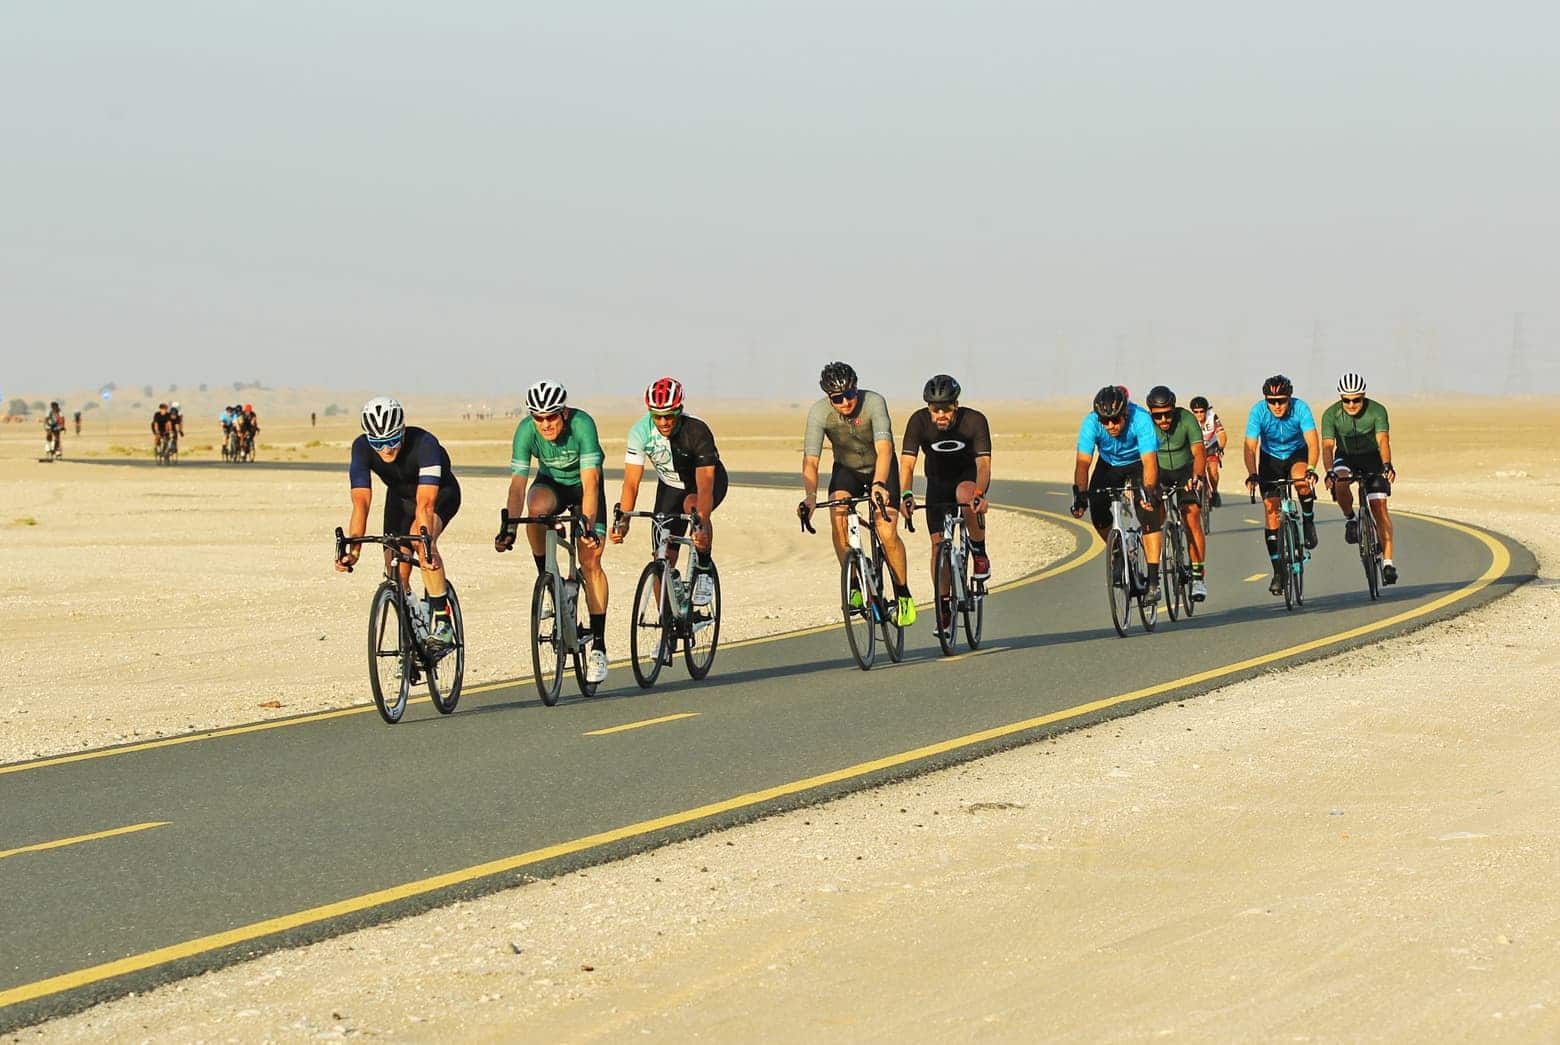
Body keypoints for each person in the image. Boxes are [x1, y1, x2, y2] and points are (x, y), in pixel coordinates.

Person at [495, 380, 611, 684]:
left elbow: (591, 483)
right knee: (535, 510)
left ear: (564, 413)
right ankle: (548, 580)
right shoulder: (526, 431)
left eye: (551, 417)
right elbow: (517, 486)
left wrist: (587, 525)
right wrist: (510, 527)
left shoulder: (582, 425)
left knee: (590, 561)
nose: (545, 424)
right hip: (552, 486)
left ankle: (599, 647)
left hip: (584, 488)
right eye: (539, 418)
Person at [797, 361, 916, 627]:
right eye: (837, 399)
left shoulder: (873, 402)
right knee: (837, 513)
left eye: (850, 395)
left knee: (886, 531)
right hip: (847, 469)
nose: (845, 403)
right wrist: (810, 496)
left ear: (856, 388)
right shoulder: (819, 412)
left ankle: (903, 594)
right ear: (829, 397)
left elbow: (885, 449)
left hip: (881, 468)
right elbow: (811, 461)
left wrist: (879, 484)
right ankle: (853, 585)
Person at [335, 397, 460, 646]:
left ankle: (442, 620)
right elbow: (361, 502)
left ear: (402, 430)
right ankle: (412, 638)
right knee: (396, 571)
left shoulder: (425, 444)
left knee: (422, 544)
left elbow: (425, 505)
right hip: (400, 499)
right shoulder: (361, 447)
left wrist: (426, 545)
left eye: (392, 440)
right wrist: (354, 550)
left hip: (438, 496)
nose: (386, 449)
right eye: (378, 443)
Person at [611, 378, 727, 609]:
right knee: (661, 558)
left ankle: (704, 568)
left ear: (679, 409)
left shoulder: (697, 430)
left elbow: (705, 486)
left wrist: (701, 524)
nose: (663, 422)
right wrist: (623, 521)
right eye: (657, 416)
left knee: (693, 506)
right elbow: (631, 483)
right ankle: (668, 621)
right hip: (670, 486)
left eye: (669, 415)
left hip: (704, 484)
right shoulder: (640, 432)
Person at [898, 374, 991, 637]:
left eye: (946, 409)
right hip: (937, 483)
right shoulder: (918, 421)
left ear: (956, 405)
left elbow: (984, 465)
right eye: (935, 409)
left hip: (967, 479)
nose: (940, 414)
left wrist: (979, 493)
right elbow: (907, 464)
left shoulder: (974, 420)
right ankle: (944, 606)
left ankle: (979, 552)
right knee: (938, 546)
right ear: (928, 407)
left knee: (965, 495)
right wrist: (906, 494)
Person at [1071, 384, 1164, 603]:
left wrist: (1149, 491)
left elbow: (1150, 462)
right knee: (1097, 510)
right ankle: (1118, 554)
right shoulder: (1091, 423)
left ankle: (1153, 582)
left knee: (1148, 512)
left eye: (1115, 420)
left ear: (1125, 414)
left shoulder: (1140, 419)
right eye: (1105, 421)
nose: (1110, 426)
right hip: (1109, 464)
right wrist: (1080, 496)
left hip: (1138, 462)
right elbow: (1083, 463)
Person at [1243, 374, 1321, 596]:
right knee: (1271, 511)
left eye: (1281, 401)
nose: (1277, 406)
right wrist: (1252, 474)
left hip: (1297, 454)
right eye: (1272, 401)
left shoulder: (1300, 408)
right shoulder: (1258, 411)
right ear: (1266, 400)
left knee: (1301, 482)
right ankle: (1278, 572)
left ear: (1289, 398)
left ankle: (1308, 520)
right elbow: (1250, 446)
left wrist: (1312, 468)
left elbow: (1312, 442)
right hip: (1271, 459)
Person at [1321, 371, 1399, 584]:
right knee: (1340, 480)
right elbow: (1327, 446)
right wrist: (1328, 471)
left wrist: (1387, 464)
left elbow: (1383, 440)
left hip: (1372, 458)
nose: (1352, 404)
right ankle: (1351, 519)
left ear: (1363, 396)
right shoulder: (1331, 414)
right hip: (1345, 456)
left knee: (1379, 508)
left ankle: (1388, 563)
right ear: (1341, 398)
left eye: (1356, 400)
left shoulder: (1377, 410)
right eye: (1346, 400)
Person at [1145, 385, 1209, 601]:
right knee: (1153, 515)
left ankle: (1198, 578)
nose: (1163, 420)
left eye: (1168, 414)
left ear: (1174, 409)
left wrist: (1197, 477)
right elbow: (1142, 457)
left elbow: (1199, 453)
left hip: (1185, 471)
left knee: (1191, 517)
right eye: (1158, 416)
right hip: (1160, 470)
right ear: (1151, 413)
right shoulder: (1146, 425)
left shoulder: (1187, 419)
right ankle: (1156, 564)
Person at [1188, 396, 1226, 507]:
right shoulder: (1189, 419)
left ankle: (1214, 492)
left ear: (1206, 410)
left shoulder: (1212, 417)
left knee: (1213, 471)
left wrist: (1221, 448)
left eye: (1202, 411)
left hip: (1211, 447)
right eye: (1196, 412)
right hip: (1196, 448)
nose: (1199, 415)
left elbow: (1222, 435)